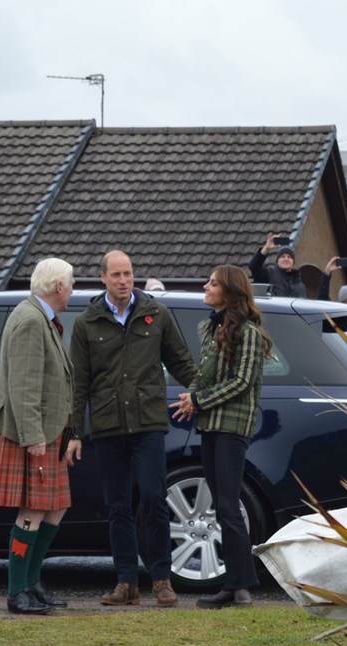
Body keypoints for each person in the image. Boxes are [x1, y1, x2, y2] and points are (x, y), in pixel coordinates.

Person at [68, 250, 198, 608]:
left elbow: (181, 361)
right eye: (116, 275)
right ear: (103, 278)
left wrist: (204, 392)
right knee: (118, 506)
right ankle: (126, 583)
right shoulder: (87, 322)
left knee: (155, 498)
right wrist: (75, 432)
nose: (124, 280)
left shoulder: (156, 313)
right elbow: (79, 382)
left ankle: (161, 580)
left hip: (148, 423)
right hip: (108, 426)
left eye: (128, 274)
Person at [0, 257, 75, 615]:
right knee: (32, 509)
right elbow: (24, 385)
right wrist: (34, 436)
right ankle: (17, 591)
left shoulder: (41, 318)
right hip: (30, 433)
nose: (73, 289)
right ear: (59, 287)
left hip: (48, 431)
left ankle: (32, 583)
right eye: (72, 283)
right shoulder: (31, 320)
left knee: (55, 507)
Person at [170, 264, 272, 609]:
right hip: (211, 426)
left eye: (213, 283)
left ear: (229, 292)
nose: (206, 286)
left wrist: (199, 400)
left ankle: (242, 588)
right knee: (221, 506)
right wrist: (190, 399)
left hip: (232, 428)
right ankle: (232, 585)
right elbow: (205, 375)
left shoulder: (249, 333)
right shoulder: (211, 328)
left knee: (229, 507)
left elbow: (242, 382)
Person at [245, 233, 305, 298]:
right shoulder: (269, 274)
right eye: (282, 256)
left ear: (293, 262)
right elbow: (254, 266)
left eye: (289, 257)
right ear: (277, 261)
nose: (286, 259)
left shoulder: (299, 284)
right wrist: (266, 248)